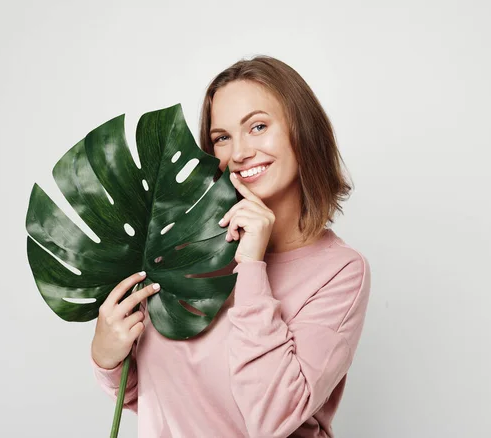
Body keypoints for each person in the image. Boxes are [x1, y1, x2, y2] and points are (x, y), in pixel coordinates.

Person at [90, 55, 371, 437]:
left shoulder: (340, 271)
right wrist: (107, 358)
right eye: (222, 137)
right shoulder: (181, 250)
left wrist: (252, 267)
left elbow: (275, 417)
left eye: (257, 126)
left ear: (302, 131)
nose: (239, 153)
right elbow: (162, 398)